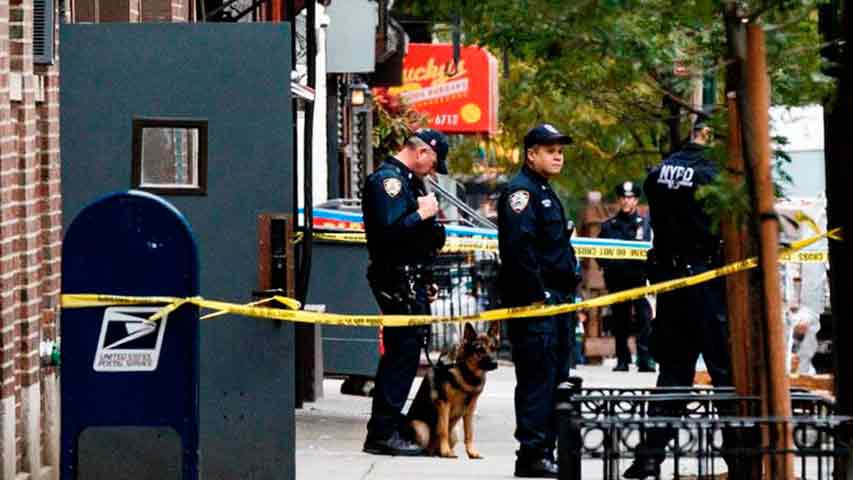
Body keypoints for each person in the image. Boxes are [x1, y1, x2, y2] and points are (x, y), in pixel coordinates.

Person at [622, 122, 735, 478]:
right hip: (707, 282)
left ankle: (649, 457)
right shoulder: (715, 173)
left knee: (673, 373)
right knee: (724, 374)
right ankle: (741, 456)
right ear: (712, 135)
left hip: (672, 283)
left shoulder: (659, 174)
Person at [498, 123, 580, 478]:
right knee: (538, 379)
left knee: (556, 376)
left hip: (556, 302)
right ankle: (532, 452)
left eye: (560, 149)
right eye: (550, 150)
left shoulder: (543, 190)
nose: (558, 155)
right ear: (531, 154)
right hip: (538, 305)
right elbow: (519, 251)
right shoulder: (522, 192)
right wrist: (538, 295)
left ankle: (545, 449)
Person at [361, 128, 449, 456]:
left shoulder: (408, 180)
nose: (433, 169)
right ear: (421, 152)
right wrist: (422, 214)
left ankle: (391, 422)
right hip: (396, 280)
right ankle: (382, 432)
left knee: (407, 355)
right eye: (433, 161)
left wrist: (426, 274)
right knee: (400, 356)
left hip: (410, 278)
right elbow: (389, 235)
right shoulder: (388, 181)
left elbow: (417, 238)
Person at [598, 181, 655, 372]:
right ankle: (623, 359)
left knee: (644, 319)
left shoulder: (645, 226)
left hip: (639, 280)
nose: (626, 201)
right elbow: (600, 253)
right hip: (617, 280)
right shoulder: (609, 226)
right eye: (623, 197)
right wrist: (609, 268)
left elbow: (651, 250)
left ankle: (644, 359)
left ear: (636, 200)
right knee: (619, 321)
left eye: (630, 198)